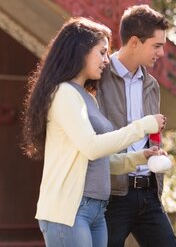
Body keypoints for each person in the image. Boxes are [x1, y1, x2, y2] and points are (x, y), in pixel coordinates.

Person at [21, 18, 166, 247]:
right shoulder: (63, 93)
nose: (106, 61)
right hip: (70, 211)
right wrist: (143, 126)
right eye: (101, 52)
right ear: (81, 51)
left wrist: (139, 158)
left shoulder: (87, 97)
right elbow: (92, 146)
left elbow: (99, 160)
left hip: (96, 211)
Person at [96, 4, 176, 247]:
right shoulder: (98, 78)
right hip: (112, 196)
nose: (161, 53)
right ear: (134, 42)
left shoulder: (152, 85)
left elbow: (153, 135)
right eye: (157, 45)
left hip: (148, 194)